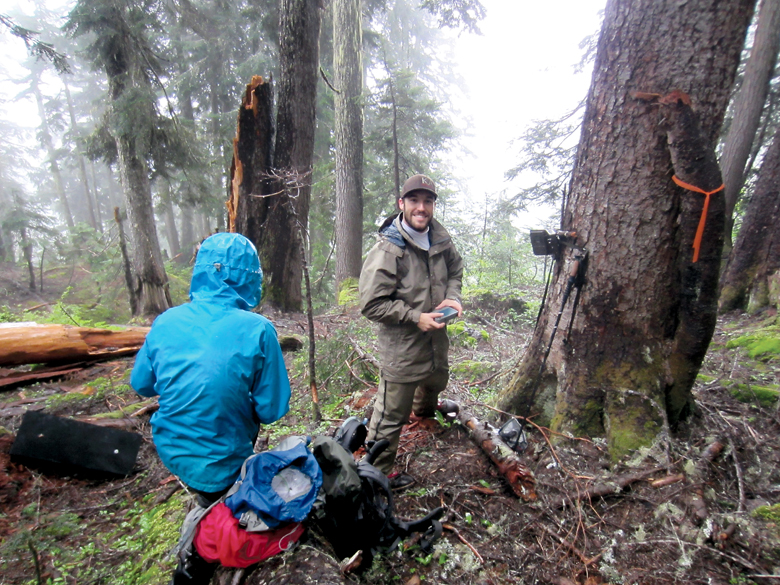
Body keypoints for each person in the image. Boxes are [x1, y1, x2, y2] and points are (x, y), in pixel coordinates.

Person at [131, 232, 291, 585]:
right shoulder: (259, 330)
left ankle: (208, 513)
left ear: (201, 272)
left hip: (171, 447)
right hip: (224, 459)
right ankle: (202, 551)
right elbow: (273, 409)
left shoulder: (166, 321)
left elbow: (141, 384)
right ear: (251, 277)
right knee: (235, 512)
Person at [359, 174, 464, 485]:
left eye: (428, 201)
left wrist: (453, 297)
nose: (422, 207)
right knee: (390, 416)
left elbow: (456, 270)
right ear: (401, 204)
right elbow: (371, 304)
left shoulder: (441, 240)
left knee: (435, 381)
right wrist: (415, 317)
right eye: (415, 201)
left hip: (436, 340)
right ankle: (377, 475)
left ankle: (424, 416)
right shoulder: (389, 248)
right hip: (402, 347)